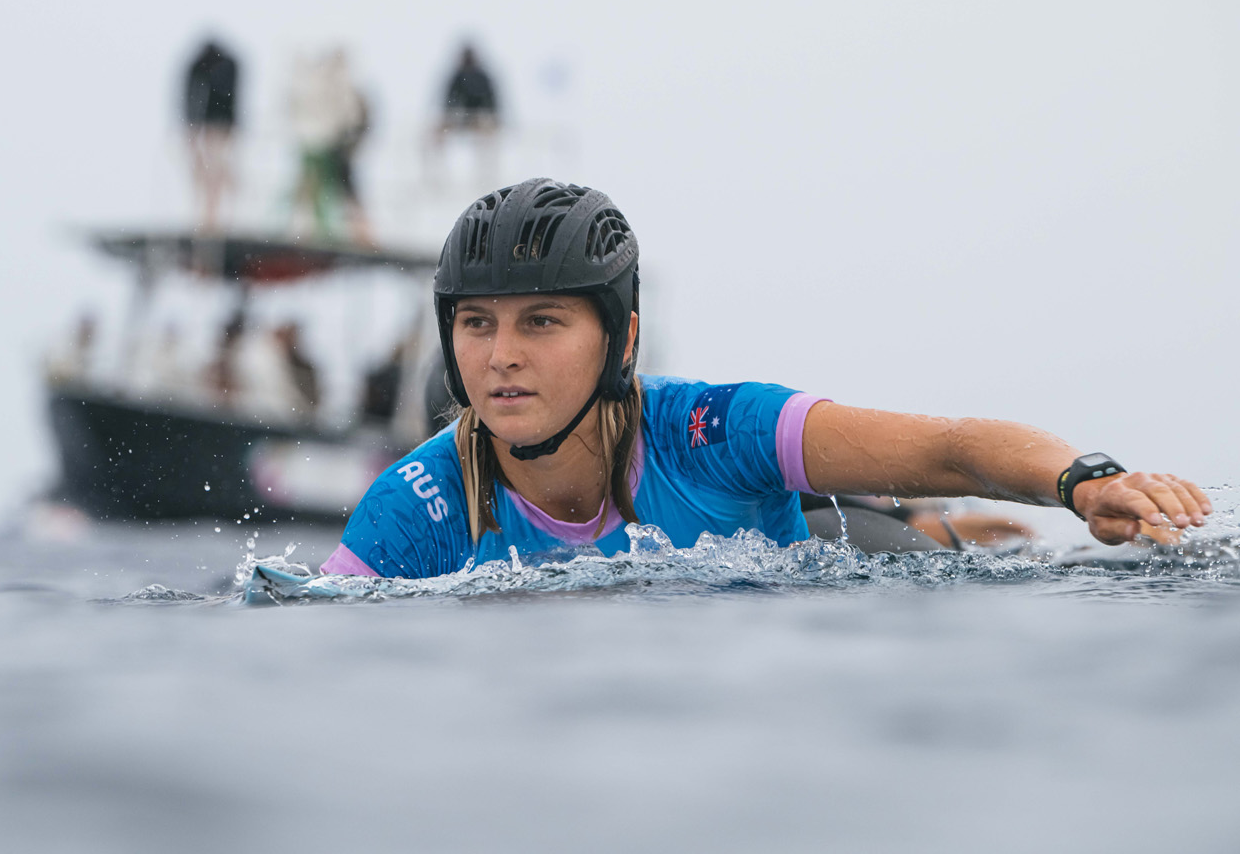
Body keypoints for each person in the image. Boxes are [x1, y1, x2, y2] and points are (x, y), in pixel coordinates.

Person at [319, 179, 1211, 579]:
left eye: (541, 321)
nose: (499, 355)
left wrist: (1086, 481)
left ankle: (939, 533)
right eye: (476, 323)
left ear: (621, 339)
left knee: (895, 539)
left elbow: (951, 445)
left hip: (823, 552)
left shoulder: (712, 428)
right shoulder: (417, 504)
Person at [288, 48, 371, 242]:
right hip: (330, 147)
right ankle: (354, 234)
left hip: (334, 149)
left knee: (334, 192)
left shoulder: (337, 86)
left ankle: (358, 235)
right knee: (330, 193)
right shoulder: (340, 86)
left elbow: (352, 117)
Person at [183, 40, 243, 234]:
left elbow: (193, 98)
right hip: (215, 128)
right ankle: (210, 218)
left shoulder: (207, 66)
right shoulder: (222, 66)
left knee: (215, 173)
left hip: (215, 129)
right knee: (211, 174)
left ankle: (214, 218)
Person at [440, 43, 499, 133]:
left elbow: (491, 101)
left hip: (478, 117)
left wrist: (487, 115)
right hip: (460, 116)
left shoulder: (481, 77)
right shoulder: (457, 77)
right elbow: (449, 101)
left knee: (486, 127)